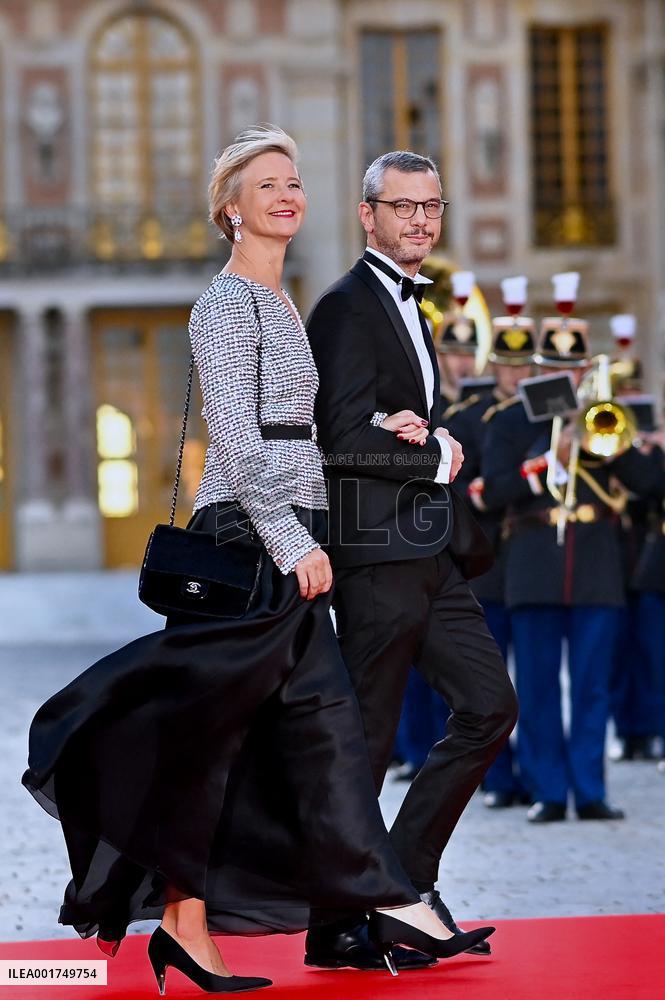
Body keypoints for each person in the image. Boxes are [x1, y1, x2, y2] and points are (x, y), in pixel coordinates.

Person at [22, 126, 493, 995]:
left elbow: (299, 431)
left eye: (293, 181)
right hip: (251, 538)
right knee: (304, 733)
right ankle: (387, 900)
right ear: (230, 210)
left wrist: (386, 431)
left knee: (230, 741)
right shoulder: (225, 304)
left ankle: (190, 923)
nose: (286, 194)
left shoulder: (278, 303)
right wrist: (294, 543)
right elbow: (236, 445)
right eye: (266, 184)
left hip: (288, 527)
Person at [305, 149, 517, 968]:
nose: (420, 220)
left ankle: (400, 888)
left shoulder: (412, 306)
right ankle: (333, 926)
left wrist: (421, 433)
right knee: (364, 741)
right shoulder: (344, 307)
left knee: (490, 705)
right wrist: (429, 453)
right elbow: (338, 436)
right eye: (402, 207)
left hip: (428, 552)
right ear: (368, 214)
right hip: (374, 556)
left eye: (430, 206)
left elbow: (386, 422)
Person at [481, 317, 665, 823]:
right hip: (534, 562)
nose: (567, 375)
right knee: (537, 687)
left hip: (595, 563)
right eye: (556, 367)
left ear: (587, 368)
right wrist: (547, 461)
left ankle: (589, 789)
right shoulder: (511, 421)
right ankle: (547, 790)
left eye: (575, 367)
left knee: (592, 683)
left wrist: (618, 441)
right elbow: (494, 492)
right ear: (540, 369)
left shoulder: (605, 419)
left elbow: (651, 483)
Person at [443, 315, 535, 808]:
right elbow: (463, 488)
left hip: (528, 552)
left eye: (524, 366)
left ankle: (538, 775)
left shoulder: (543, 414)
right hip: (487, 559)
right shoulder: (471, 417)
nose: (516, 376)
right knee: (490, 679)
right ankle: (498, 777)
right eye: (507, 365)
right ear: (494, 367)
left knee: (532, 678)